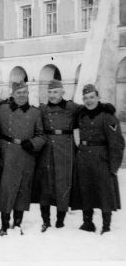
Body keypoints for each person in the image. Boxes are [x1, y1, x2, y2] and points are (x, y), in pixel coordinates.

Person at [71, 84, 124, 234]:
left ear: (98, 97)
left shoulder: (108, 116)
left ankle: (106, 226)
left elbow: (117, 143)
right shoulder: (81, 115)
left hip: (102, 158)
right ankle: (88, 223)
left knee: (104, 192)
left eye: (92, 97)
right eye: (86, 98)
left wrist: (114, 166)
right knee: (85, 190)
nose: (89, 101)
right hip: (84, 157)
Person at [0, 81, 46, 236]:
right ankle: (4, 225)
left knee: (23, 189)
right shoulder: (2, 109)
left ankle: (17, 224)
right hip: (8, 154)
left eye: (24, 92)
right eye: (18, 93)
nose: (22, 95)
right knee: (7, 189)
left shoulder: (35, 113)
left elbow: (41, 135)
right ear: (12, 94)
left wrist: (33, 143)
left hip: (26, 155)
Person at [35, 80, 80, 232]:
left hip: (65, 149)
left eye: (55, 92)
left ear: (62, 93)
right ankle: (45, 220)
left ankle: (60, 220)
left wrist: (105, 107)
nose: (52, 95)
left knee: (63, 183)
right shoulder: (42, 109)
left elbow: (89, 110)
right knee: (45, 185)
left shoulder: (72, 107)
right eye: (50, 92)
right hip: (47, 149)